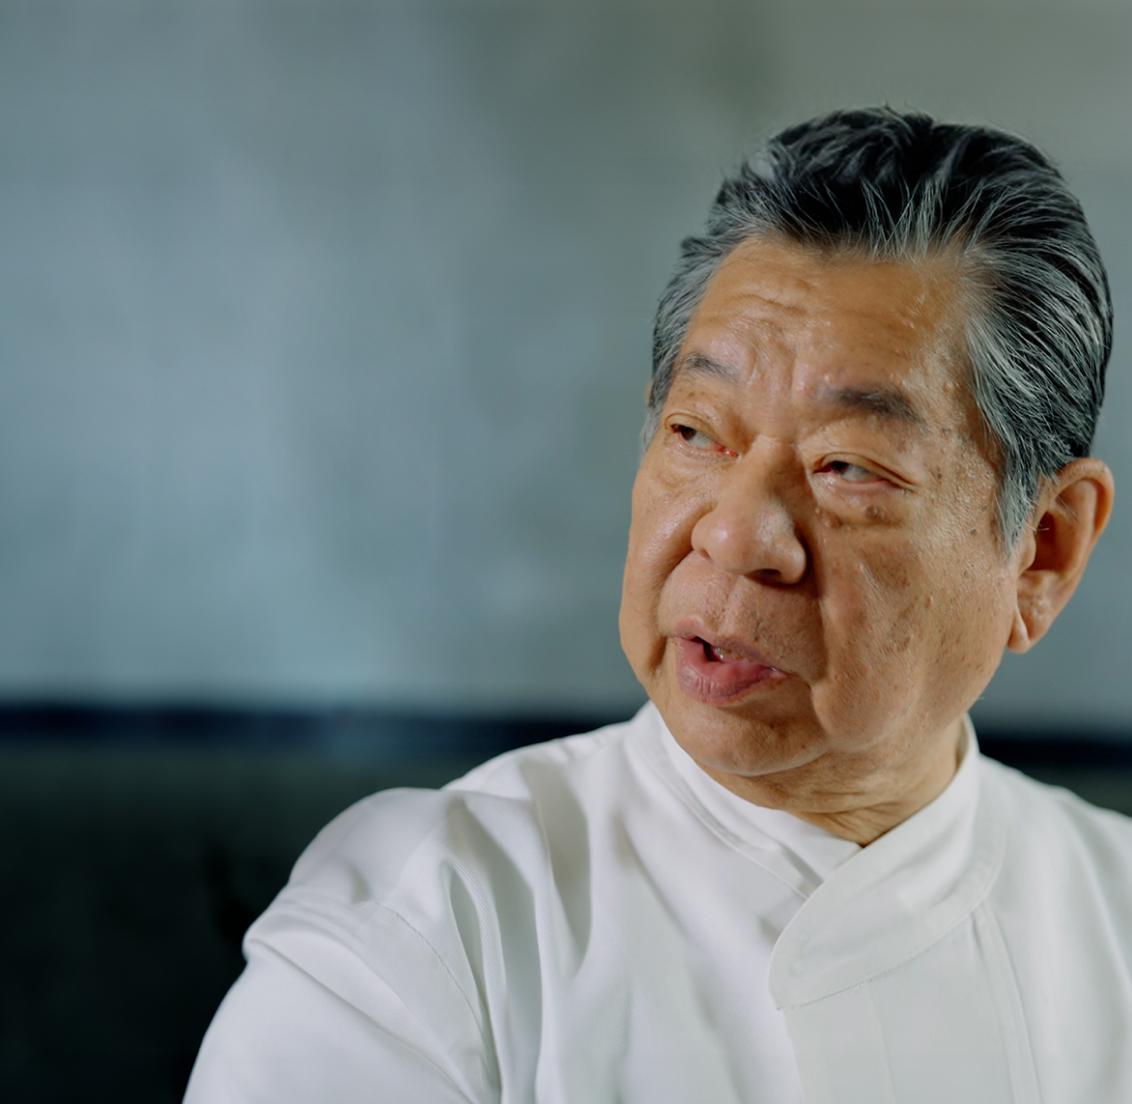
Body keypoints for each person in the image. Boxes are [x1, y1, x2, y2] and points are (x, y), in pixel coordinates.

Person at [185, 107, 1130, 1104]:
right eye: (696, 434)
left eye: (848, 466)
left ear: (1044, 550)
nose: (734, 535)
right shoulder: (427, 929)